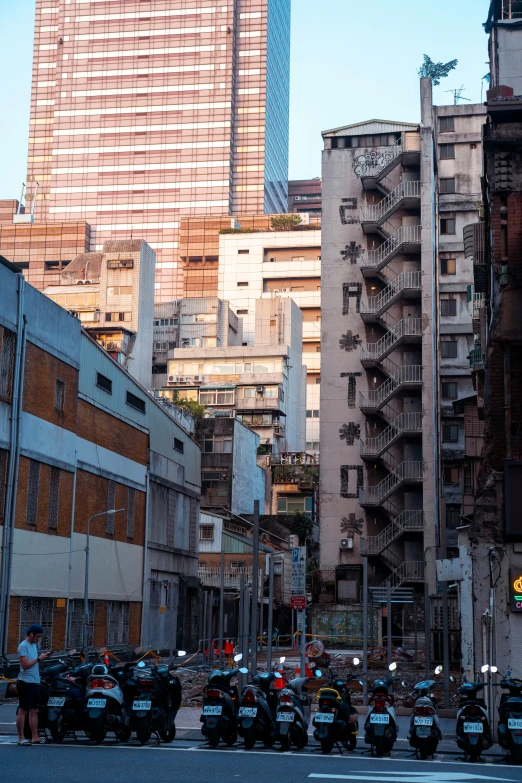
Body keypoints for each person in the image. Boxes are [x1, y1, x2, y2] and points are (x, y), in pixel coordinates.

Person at [16, 624, 52, 745]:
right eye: (37, 636)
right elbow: (25, 665)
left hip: (35, 681)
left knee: (35, 710)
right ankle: (21, 738)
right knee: (23, 710)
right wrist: (39, 659)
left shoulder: (33, 645)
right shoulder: (23, 646)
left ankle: (35, 736)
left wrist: (42, 658)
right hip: (25, 682)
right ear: (31, 634)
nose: (39, 638)